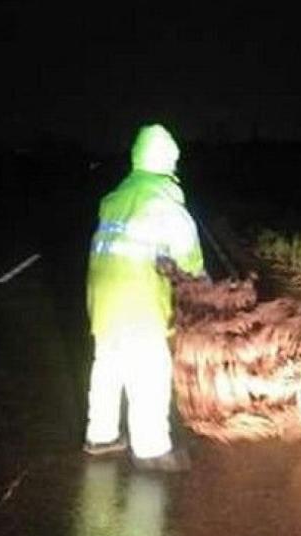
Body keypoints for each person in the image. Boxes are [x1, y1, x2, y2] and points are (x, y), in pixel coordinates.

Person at [83, 123, 207, 472]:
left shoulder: (114, 199)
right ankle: (151, 447)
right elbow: (191, 264)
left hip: (103, 302)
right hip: (140, 305)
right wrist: (209, 295)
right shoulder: (164, 203)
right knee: (149, 370)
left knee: (108, 366)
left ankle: (101, 435)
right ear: (170, 163)